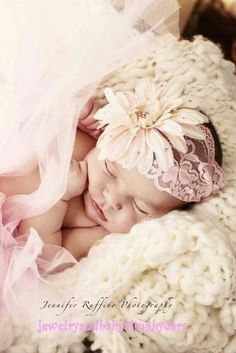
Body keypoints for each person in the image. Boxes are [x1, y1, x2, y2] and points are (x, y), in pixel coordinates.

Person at [0, 79, 226, 261]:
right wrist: (87, 115)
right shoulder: (99, 139)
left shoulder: (97, 231)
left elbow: (42, 256)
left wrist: (58, 196)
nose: (113, 198)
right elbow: (46, 103)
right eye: (110, 170)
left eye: (139, 206)